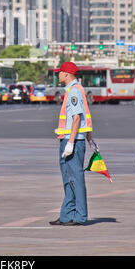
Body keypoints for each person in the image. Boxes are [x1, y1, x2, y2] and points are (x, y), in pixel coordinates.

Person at [49, 62, 98, 226]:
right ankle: (66, 215)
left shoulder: (74, 91)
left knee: (75, 178)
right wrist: (90, 138)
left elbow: (77, 118)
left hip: (73, 142)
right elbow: (86, 116)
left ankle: (80, 216)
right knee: (68, 178)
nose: (58, 75)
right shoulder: (75, 90)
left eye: (59, 72)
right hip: (71, 140)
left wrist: (70, 143)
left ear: (67, 74)